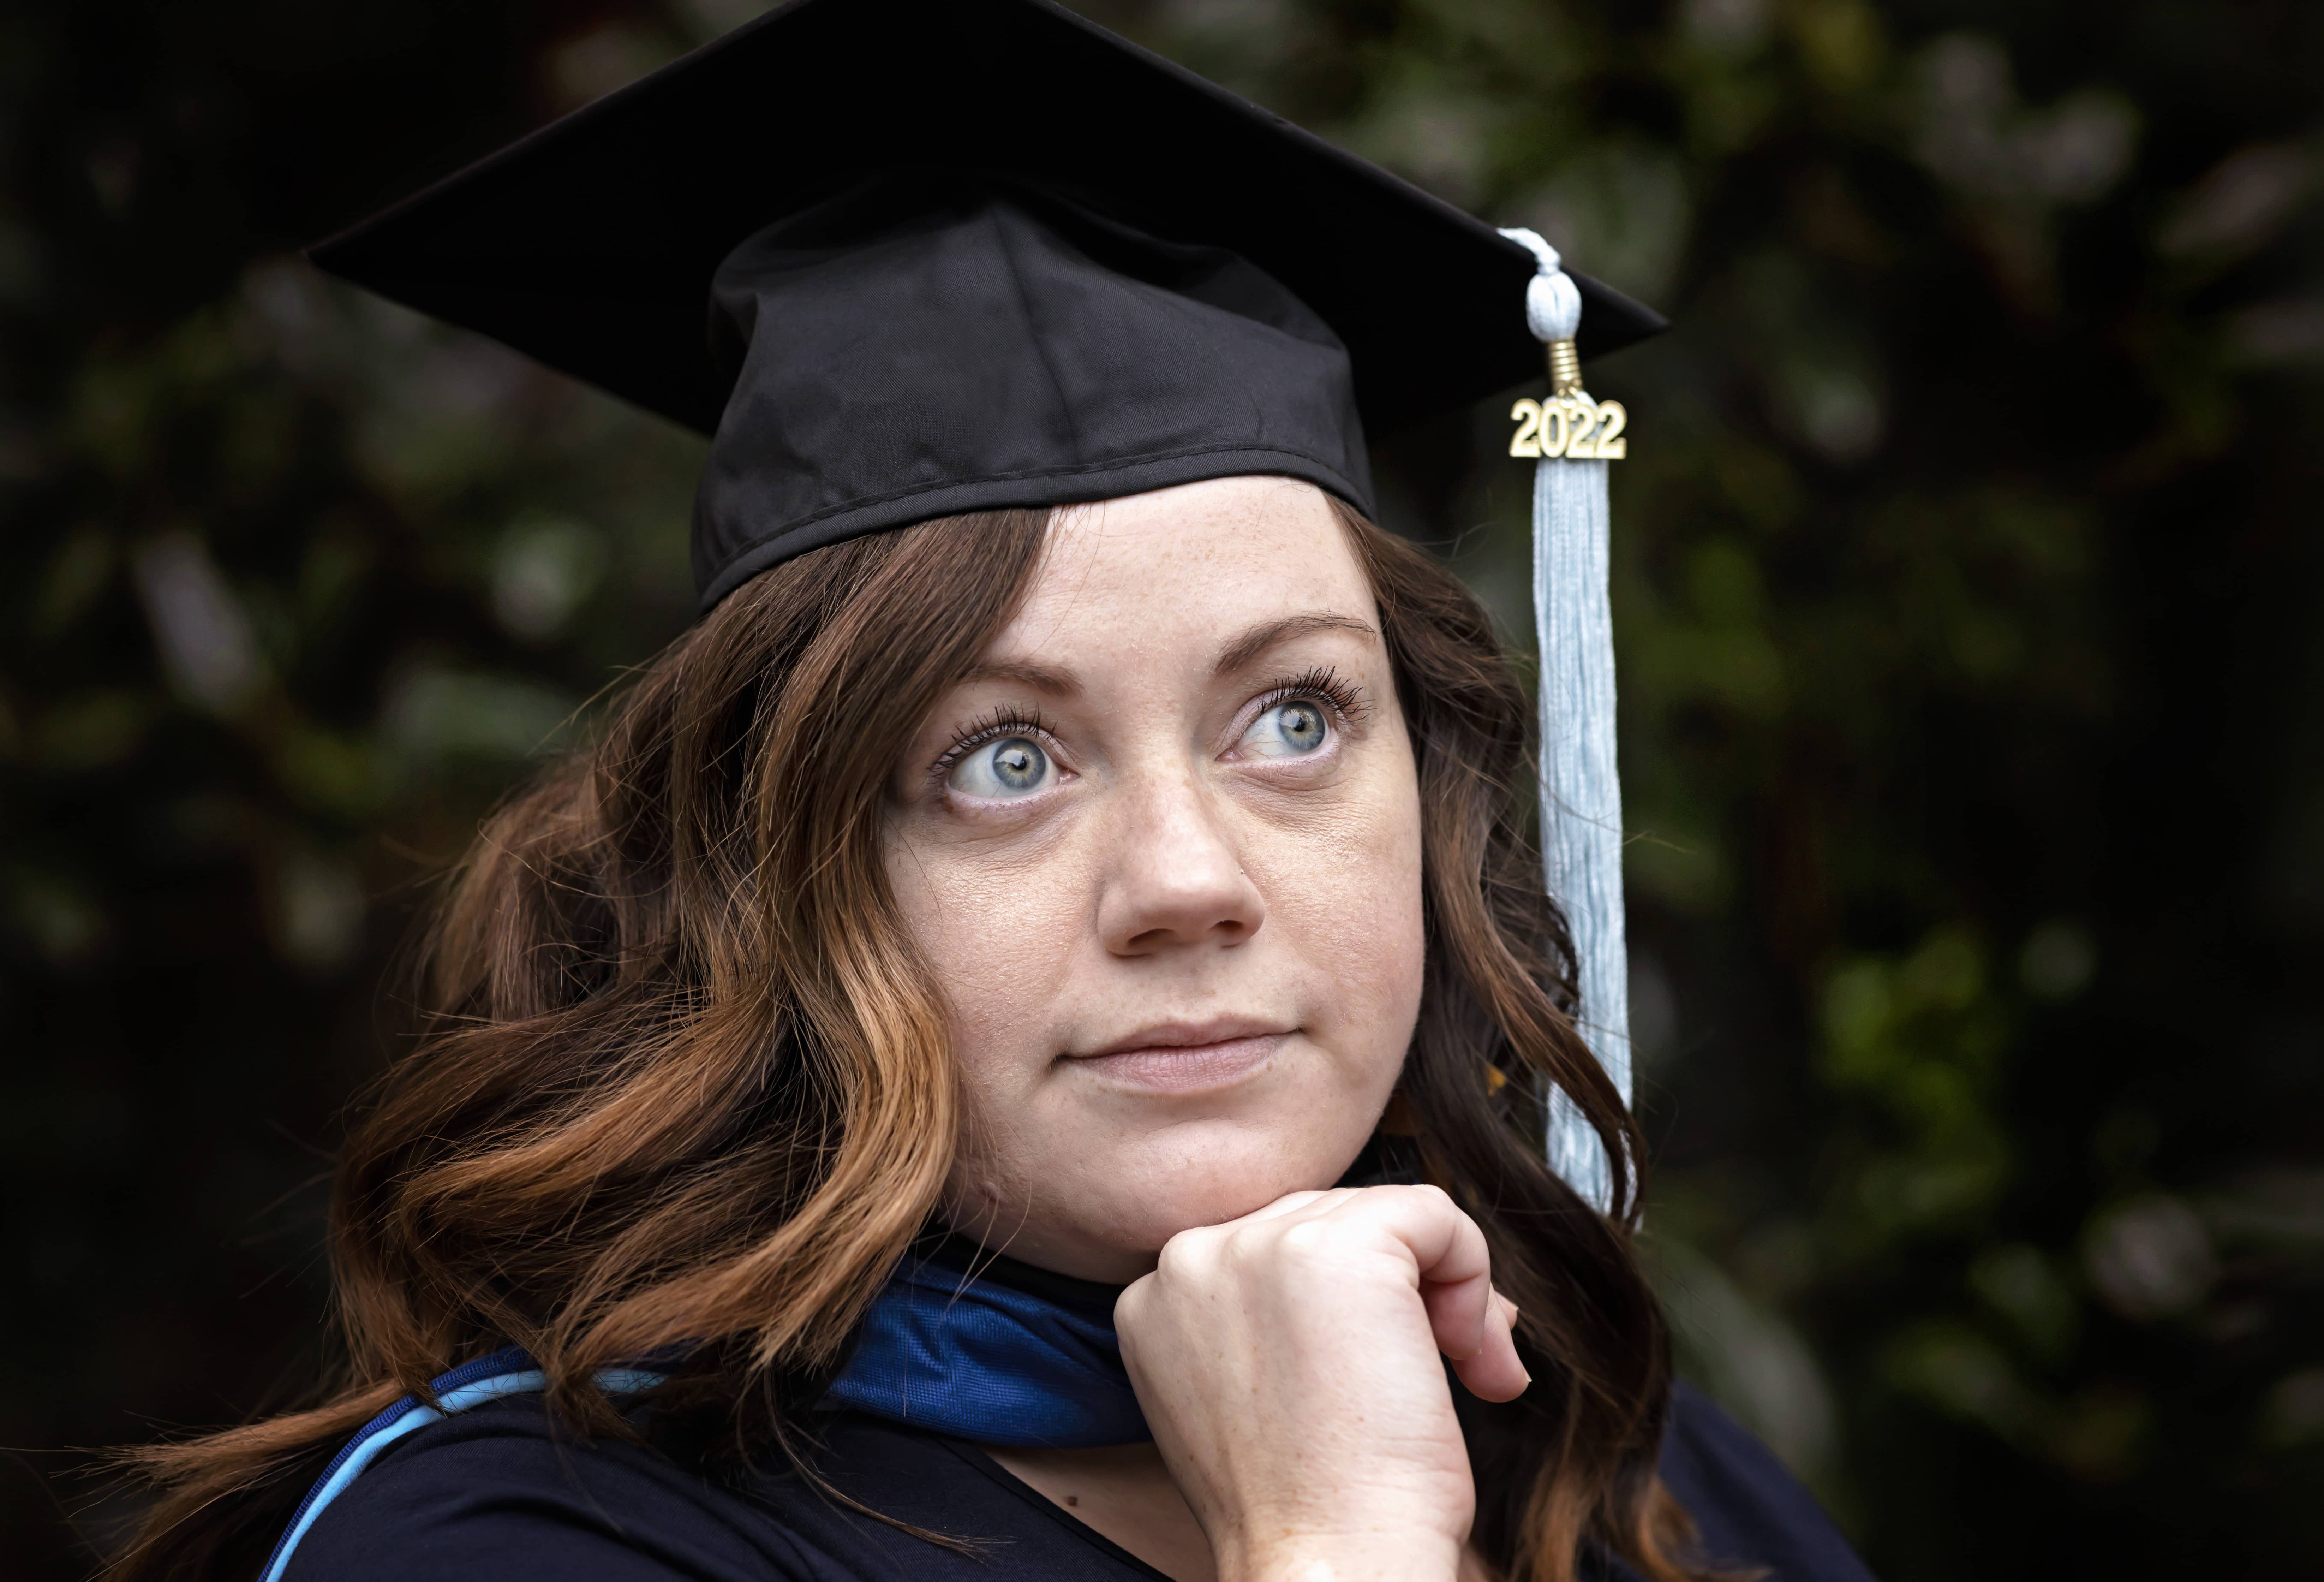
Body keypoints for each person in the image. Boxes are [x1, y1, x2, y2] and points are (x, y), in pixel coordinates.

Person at [117, 2, 1875, 1580]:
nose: (1189, 880)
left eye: (1291, 718)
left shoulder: (1599, 1446)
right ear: (771, 873)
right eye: (1001, 760)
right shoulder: (526, 1535)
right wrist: (1333, 1542)